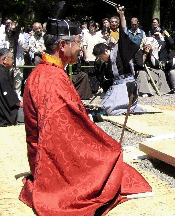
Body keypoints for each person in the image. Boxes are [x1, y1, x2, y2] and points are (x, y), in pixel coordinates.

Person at [20, 13, 151, 215]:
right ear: (63, 45)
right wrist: (102, 144)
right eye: (79, 42)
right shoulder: (51, 80)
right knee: (112, 152)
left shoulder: (45, 72)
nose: (81, 48)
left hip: (42, 153)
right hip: (51, 161)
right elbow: (62, 134)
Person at [93, 7, 145, 115]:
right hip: (118, 86)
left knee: (111, 110)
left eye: (101, 56)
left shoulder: (120, 51)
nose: (101, 59)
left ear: (105, 51)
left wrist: (122, 15)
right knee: (104, 107)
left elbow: (124, 32)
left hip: (127, 86)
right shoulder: (108, 62)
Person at [0, 48, 23, 126]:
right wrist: (22, 104)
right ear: (4, 59)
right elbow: (9, 95)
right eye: (12, 58)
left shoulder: (3, 71)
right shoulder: (2, 73)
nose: (13, 61)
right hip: (5, 114)